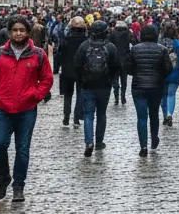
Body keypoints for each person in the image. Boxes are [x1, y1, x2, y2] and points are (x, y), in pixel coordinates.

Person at [0, 16, 53, 203]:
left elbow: (47, 78)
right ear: (10, 32)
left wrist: (36, 95)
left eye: (22, 30)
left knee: (22, 149)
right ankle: (4, 177)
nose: (18, 33)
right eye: (15, 30)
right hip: (3, 108)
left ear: (28, 32)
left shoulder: (37, 54)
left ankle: (18, 186)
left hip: (26, 109)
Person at [75, 20, 118, 157]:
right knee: (101, 113)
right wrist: (111, 79)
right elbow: (116, 65)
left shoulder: (84, 45)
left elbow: (76, 63)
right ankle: (99, 141)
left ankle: (89, 142)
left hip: (88, 85)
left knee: (88, 114)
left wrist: (82, 77)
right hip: (104, 86)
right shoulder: (110, 47)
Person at [128, 25, 171, 157]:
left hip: (138, 86)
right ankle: (154, 138)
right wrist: (160, 75)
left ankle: (143, 146)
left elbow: (129, 68)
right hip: (156, 86)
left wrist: (137, 72)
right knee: (154, 114)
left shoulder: (135, 49)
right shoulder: (162, 49)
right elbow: (168, 68)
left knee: (141, 117)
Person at [55, 16, 88, 127]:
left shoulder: (66, 39)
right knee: (80, 94)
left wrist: (58, 67)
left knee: (68, 95)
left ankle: (66, 117)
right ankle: (76, 118)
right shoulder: (86, 40)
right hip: (81, 71)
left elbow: (60, 53)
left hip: (67, 71)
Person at [161, 25, 179, 126]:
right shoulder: (178, 44)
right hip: (175, 73)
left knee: (163, 96)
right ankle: (169, 114)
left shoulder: (160, 44)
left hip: (162, 73)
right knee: (171, 95)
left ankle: (164, 115)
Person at [109, 20, 133, 105]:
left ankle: (116, 96)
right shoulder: (127, 34)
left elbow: (109, 45)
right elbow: (134, 41)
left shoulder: (112, 34)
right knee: (124, 80)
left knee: (115, 79)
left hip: (115, 60)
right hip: (124, 59)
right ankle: (123, 96)